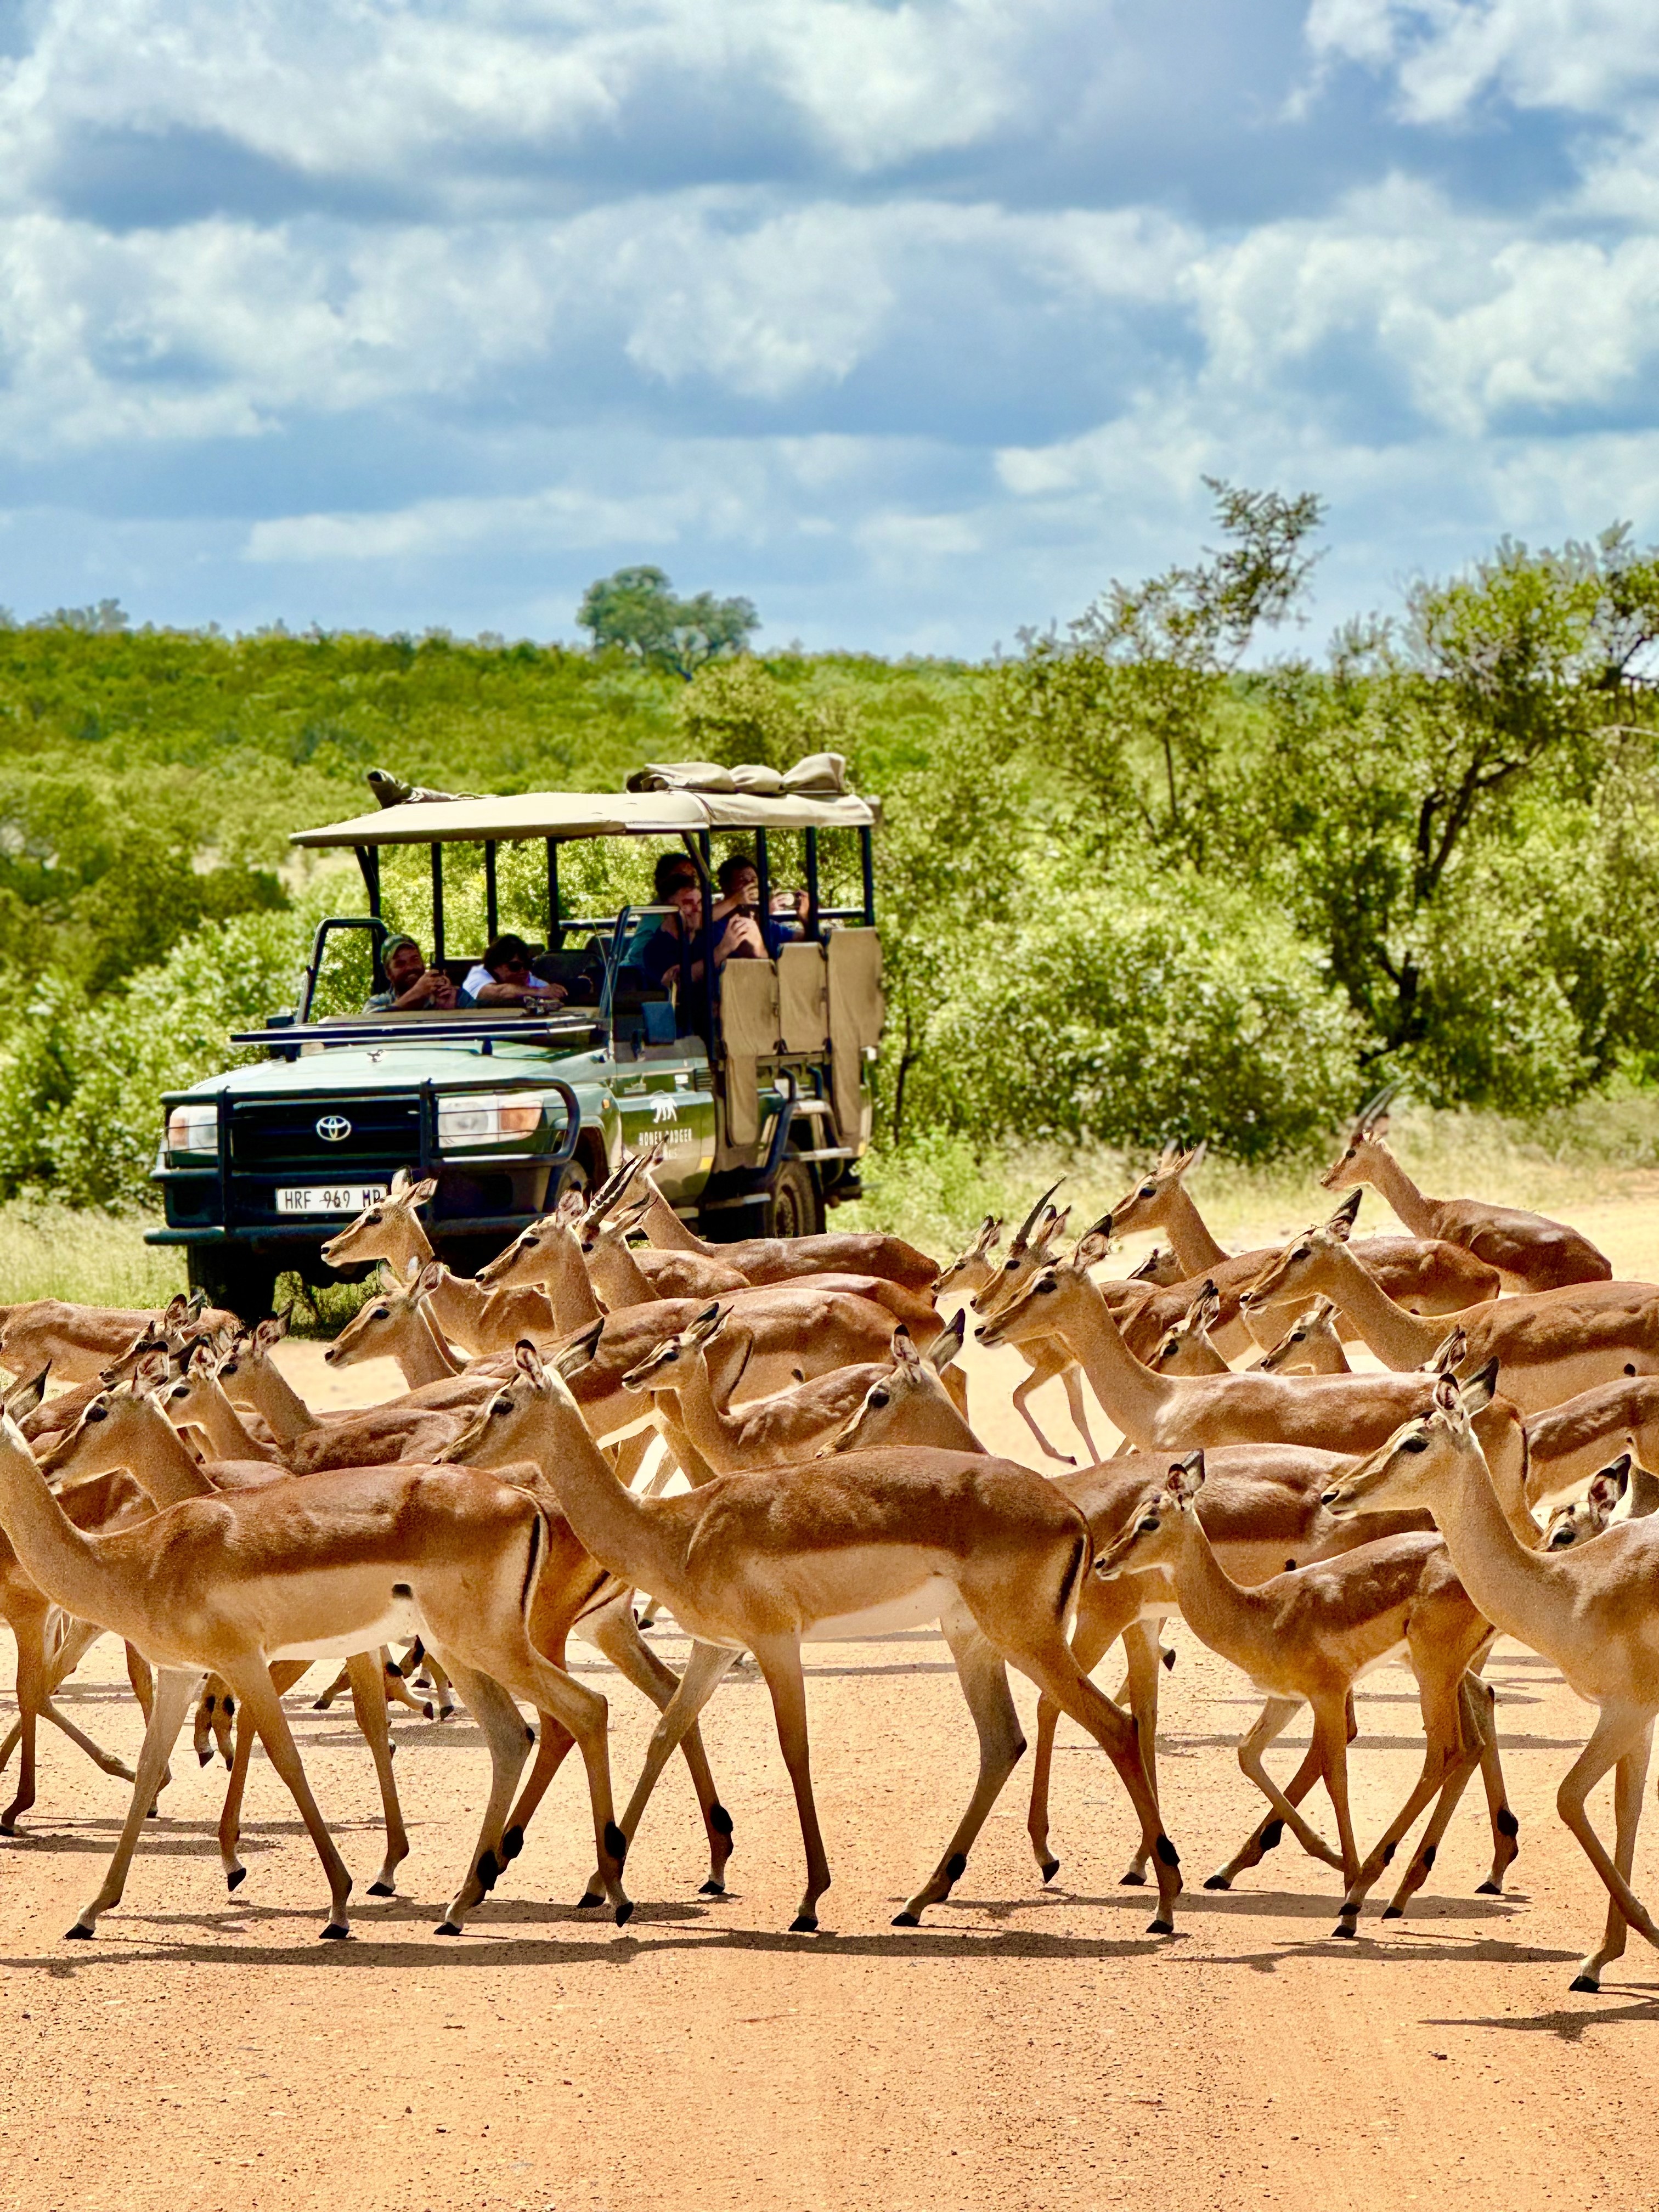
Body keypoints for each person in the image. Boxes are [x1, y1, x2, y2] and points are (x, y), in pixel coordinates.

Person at [623, 853, 700, 967]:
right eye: (683, 875)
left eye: (692, 876)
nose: (688, 880)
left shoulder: (692, 907)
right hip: (637, 974)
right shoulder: (662, 908)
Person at [460, 934, 568, 1008]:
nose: (523, 971)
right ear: (496, 966)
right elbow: (494, 993)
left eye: (527, 965)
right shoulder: (478, 976)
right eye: (515, 966)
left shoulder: (531, 979)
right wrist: (538, 992)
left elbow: (551, 998)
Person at [365, 934, 459, 1012]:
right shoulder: (378, 1003)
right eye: (400, 964)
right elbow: (367, 1024)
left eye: (415, 960)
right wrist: (415, 994)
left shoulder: (450, 994)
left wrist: (450, 1014)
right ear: (388, 973)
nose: (410, 967)